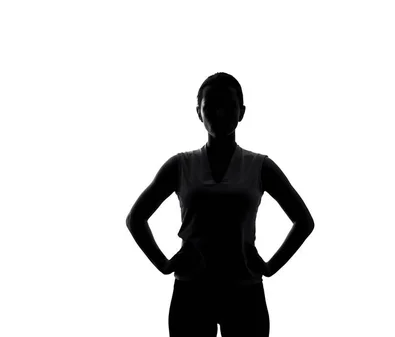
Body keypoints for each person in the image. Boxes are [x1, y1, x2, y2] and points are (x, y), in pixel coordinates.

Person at [126, 72, 315, 337]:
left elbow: (304, 221)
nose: (219, 112)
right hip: (192, 292)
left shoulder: (259, 166)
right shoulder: (181, 165)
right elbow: (135, 218)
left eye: (228, 105)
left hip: (244, 291)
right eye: (210, 106)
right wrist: (164, 264)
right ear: (198, 112)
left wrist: (270, 267)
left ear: (242, 112)